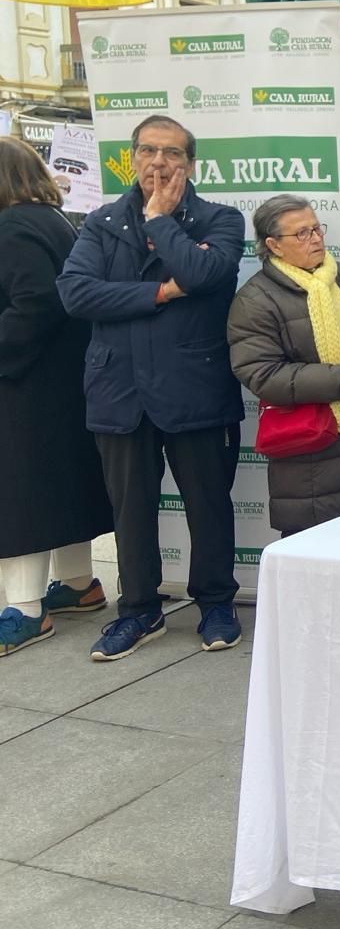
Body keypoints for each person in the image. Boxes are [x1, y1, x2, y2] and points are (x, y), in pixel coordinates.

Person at [57, 115, 245, 660]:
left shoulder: (219, 219)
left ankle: (215, 602)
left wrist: (162, 220)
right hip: (119, 392)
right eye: (148, 151)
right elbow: (75, 295)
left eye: (172, 154)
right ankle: (138, 611)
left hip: (195, 389)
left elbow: (206, 276)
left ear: (190, 164)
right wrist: (160, 293)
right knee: (130, 510)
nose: (159, 163)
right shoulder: (101, 223)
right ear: (131, 157)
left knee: (208, 505)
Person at [227, 195, 340, 535]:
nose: (315, 239)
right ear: (273, 245)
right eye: (302, 234)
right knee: (322, 560)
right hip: (310, 455)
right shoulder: (254, 300)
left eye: (316, 229)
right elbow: (261, 373)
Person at [0, 138, 114, 657]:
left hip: (25, 383)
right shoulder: (52, 219)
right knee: (59, 485)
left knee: (19, 497)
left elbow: (35, 301)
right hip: (62, 379)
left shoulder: (13, 226)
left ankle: (21, 611)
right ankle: (77, 583)